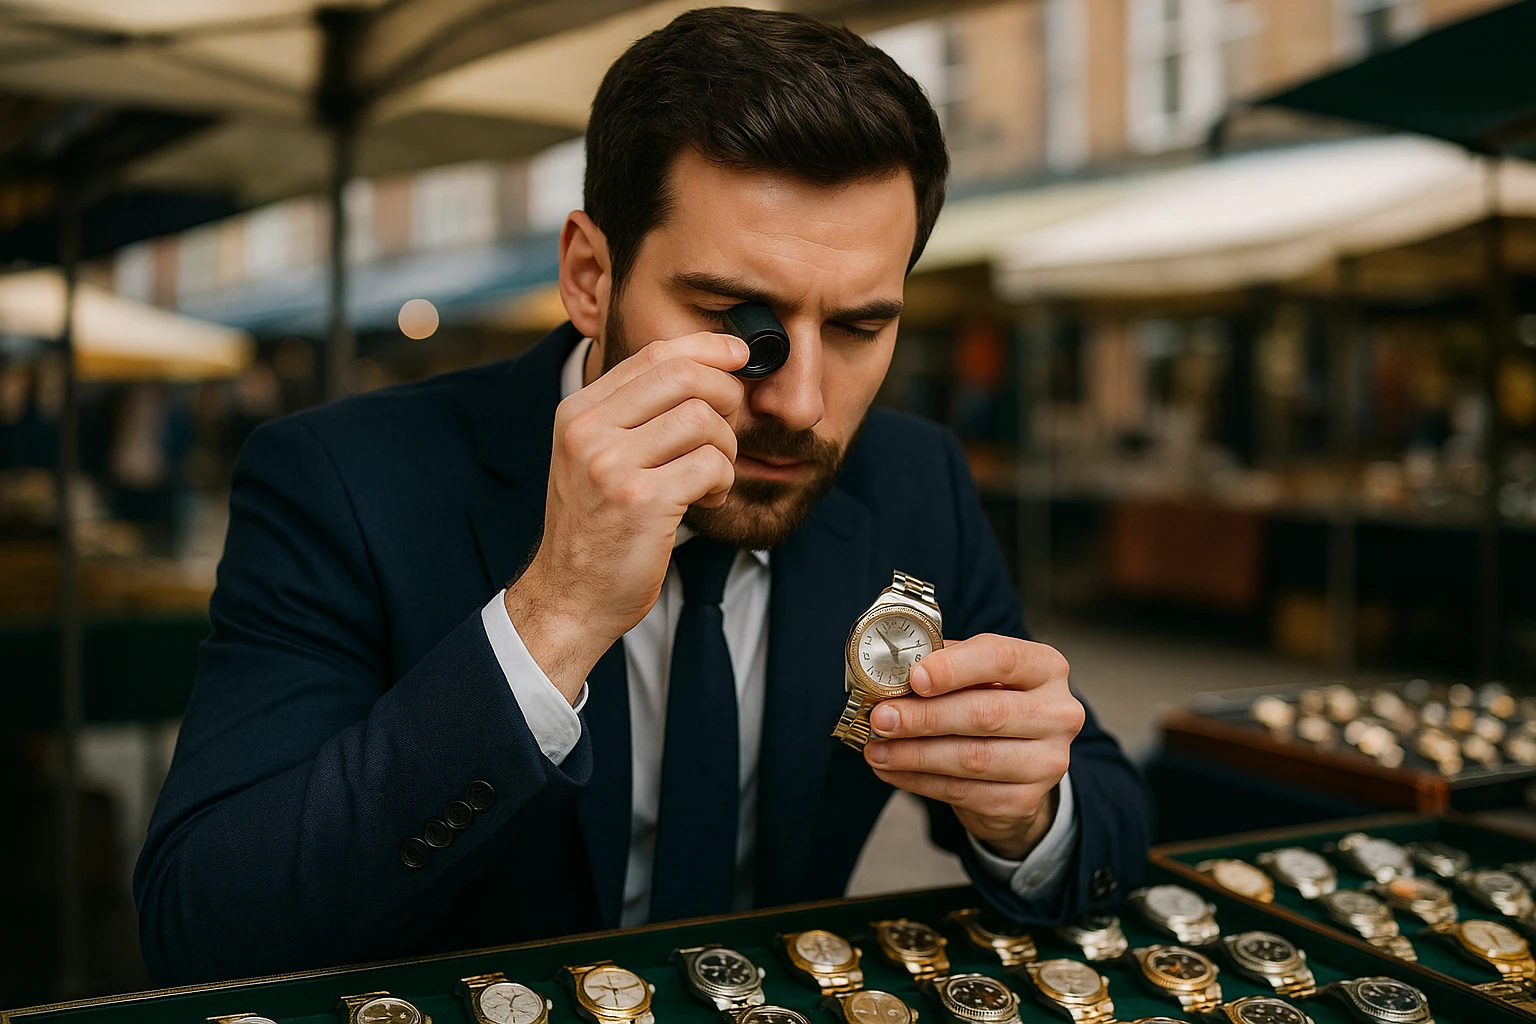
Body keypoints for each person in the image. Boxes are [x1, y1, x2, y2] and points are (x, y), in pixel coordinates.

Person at [134, 6, 1152, 985]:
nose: (800, 402)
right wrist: (556, 615)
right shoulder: (343, 480)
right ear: (589, 273)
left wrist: (1026, 812)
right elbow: (203, 928)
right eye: (738, 323)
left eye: (857, 329)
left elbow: (1107, 814)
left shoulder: (913, 479)